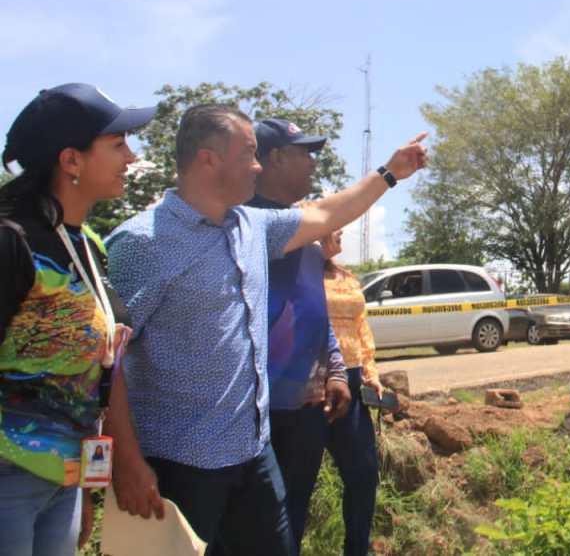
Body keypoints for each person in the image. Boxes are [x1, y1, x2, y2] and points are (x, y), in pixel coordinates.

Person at [104, 104, 426, 555]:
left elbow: (327, 213)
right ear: (209, 159)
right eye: (249, 154)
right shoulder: (142, 243)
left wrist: (390, 173)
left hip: (253, 453)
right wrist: (126, 460)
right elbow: (106, 361)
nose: (258, 166)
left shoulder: (253, 228)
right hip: (180, 461)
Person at [0, 84, 155, 556]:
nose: (132, 157)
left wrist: (86, 483)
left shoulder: (88, 245)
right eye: (118, 144)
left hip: (64, 481)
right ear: (71, 160)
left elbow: (98, 371)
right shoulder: (11, 240)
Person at [246, 119, 351, 553]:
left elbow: (313, 308)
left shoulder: (306, 234)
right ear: (274, 158)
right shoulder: (245, 226)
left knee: (293, 521)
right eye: (304, 153)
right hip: (256, 411)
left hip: (307, 408)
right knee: (252, 532)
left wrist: (336, 370)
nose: (313, 162)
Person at [321, 229, 385, 556]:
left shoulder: (347, 277)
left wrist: (370, 373)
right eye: (335, 225)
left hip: (352, 379)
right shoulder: (294, 274)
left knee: (363, 473)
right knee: (295, 482)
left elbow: (361, 327)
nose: (342, 231)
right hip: (310, 384)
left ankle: (357, 549)